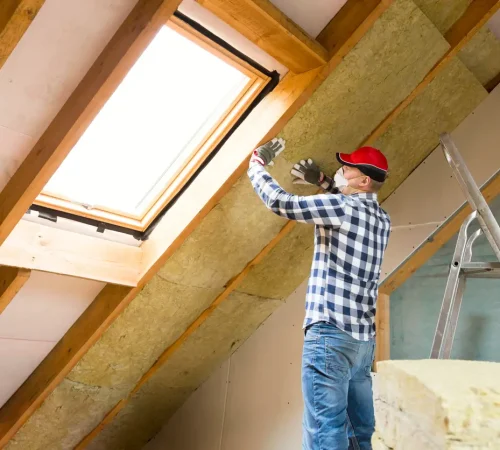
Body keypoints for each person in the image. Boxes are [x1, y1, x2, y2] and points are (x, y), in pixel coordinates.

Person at [247, 138, 391, 450]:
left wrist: (256, 165)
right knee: (359, 432)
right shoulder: (383, 221)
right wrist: (324, 182)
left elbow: (281, 202)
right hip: (362, 344)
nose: (341, 170)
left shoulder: (340, 207)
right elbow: (350, 211)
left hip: (329, 337)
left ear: (364, 180)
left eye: (347, 168)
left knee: (326, 430)